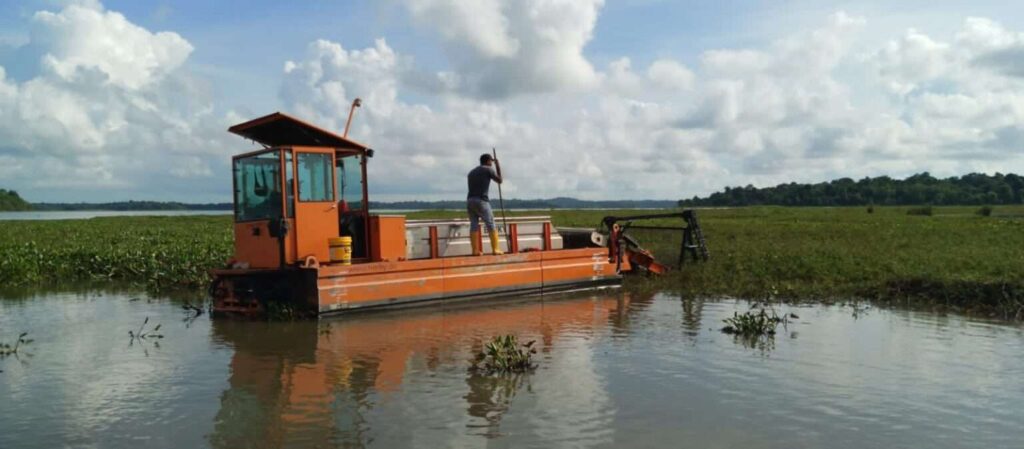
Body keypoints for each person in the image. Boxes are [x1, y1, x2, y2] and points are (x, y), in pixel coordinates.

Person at [466, 153, 503, 255]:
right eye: (491, 160)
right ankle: (495, 249)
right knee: (491, 223)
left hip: (470, 201)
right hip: (482, 200)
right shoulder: (488, 169)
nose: (491, 162)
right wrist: (498, 166)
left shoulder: (471, 172)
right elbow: (500, 180)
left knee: (474, 225)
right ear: (487, 161)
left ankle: (475, 250)